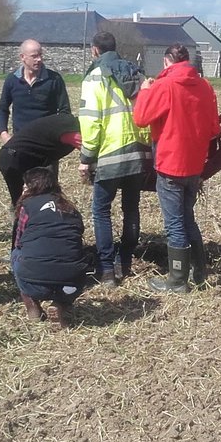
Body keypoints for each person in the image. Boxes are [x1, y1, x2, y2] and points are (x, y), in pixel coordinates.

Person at [133, 43, 220, 292]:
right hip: (194, 166)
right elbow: (214, 128)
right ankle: (199, 272)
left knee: (174, 224)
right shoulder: (204, 86)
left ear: (166, 62)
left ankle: (177, 280)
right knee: (187, 218)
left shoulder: (164, 86)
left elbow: (140, 118)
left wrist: (145, 91)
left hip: (170, 164)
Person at [77, 30, 151, 286]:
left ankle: (107, 270)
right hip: (138, 151)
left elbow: (91, 121)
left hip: (109, 153)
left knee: (101, 211)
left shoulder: (95, 77)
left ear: (94, 50)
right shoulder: (136, 73)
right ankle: (126, 261)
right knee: (131, 208)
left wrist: (86, 157)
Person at [11, 167, 89, 329]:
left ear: (32, 187)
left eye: (26, 185)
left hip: (33, 281)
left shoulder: (28, 206)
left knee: (16, 254)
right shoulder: (69, 208)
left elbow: (19, 242)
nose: (23, 188)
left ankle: (32, 305)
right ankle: (60, 304)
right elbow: (77, 236)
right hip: (71, 283)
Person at [0, 39, 70, 144]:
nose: (39, 59)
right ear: (23, 57)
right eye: (34, 56)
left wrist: (56, 135)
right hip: (20, 142)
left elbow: (65, 111)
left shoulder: (54, 79)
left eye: (40, 55)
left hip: (47, 143)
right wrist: (4, 134)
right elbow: (2, 108)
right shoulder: (12, 80)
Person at [0, 113, 81, 204]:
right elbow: (90, 151)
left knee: (38, 198)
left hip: (17, 157)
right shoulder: (71, 130)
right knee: (25, 202)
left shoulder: (68, 122)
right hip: (15, 159)